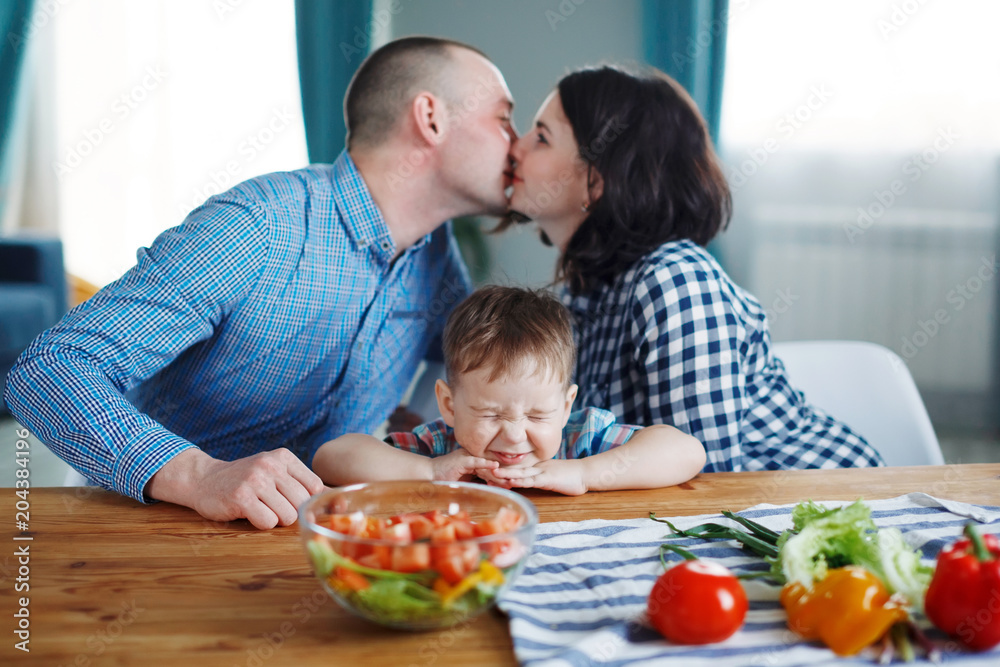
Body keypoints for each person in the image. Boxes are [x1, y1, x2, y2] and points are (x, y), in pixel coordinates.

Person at [4, 37, 519, 529]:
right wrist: (200, 475)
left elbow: (466, 367)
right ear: (430, 118)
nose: (517, 145)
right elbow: (48, 371)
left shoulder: (437, 256)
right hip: (152, 535)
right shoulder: (257, 227)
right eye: (504, 119)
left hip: (310, 552)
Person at [500, 66, 885, 472]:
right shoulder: (585, 292)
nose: (515, 148)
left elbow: (705, 482)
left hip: (833, 506)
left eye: (541, 138)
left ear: (598, 182)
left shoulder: (674, 280)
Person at [313, 286, 706, 495]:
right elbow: (331, 459)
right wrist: (429, 471)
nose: (515, 435)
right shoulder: (440, 447)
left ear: (567, 405)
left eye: (537, 416)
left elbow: (688, 452)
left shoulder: (581, 440)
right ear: (450, 405)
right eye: (490, 415)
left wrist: (586, 474)